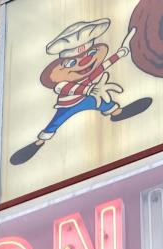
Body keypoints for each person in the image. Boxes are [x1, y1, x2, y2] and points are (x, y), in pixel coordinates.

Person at [10, 18, 152, 166]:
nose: (85, 62)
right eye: (72, 62)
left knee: (103, 102)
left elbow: (101, 68)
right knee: (55, 122)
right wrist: (89, 89)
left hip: (90, 97)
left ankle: (117, 113)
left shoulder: (89, 76)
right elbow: (70, 88)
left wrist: (119, 54)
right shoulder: (61, 84)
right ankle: (38, 143)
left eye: (91, 53)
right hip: (68, 104)